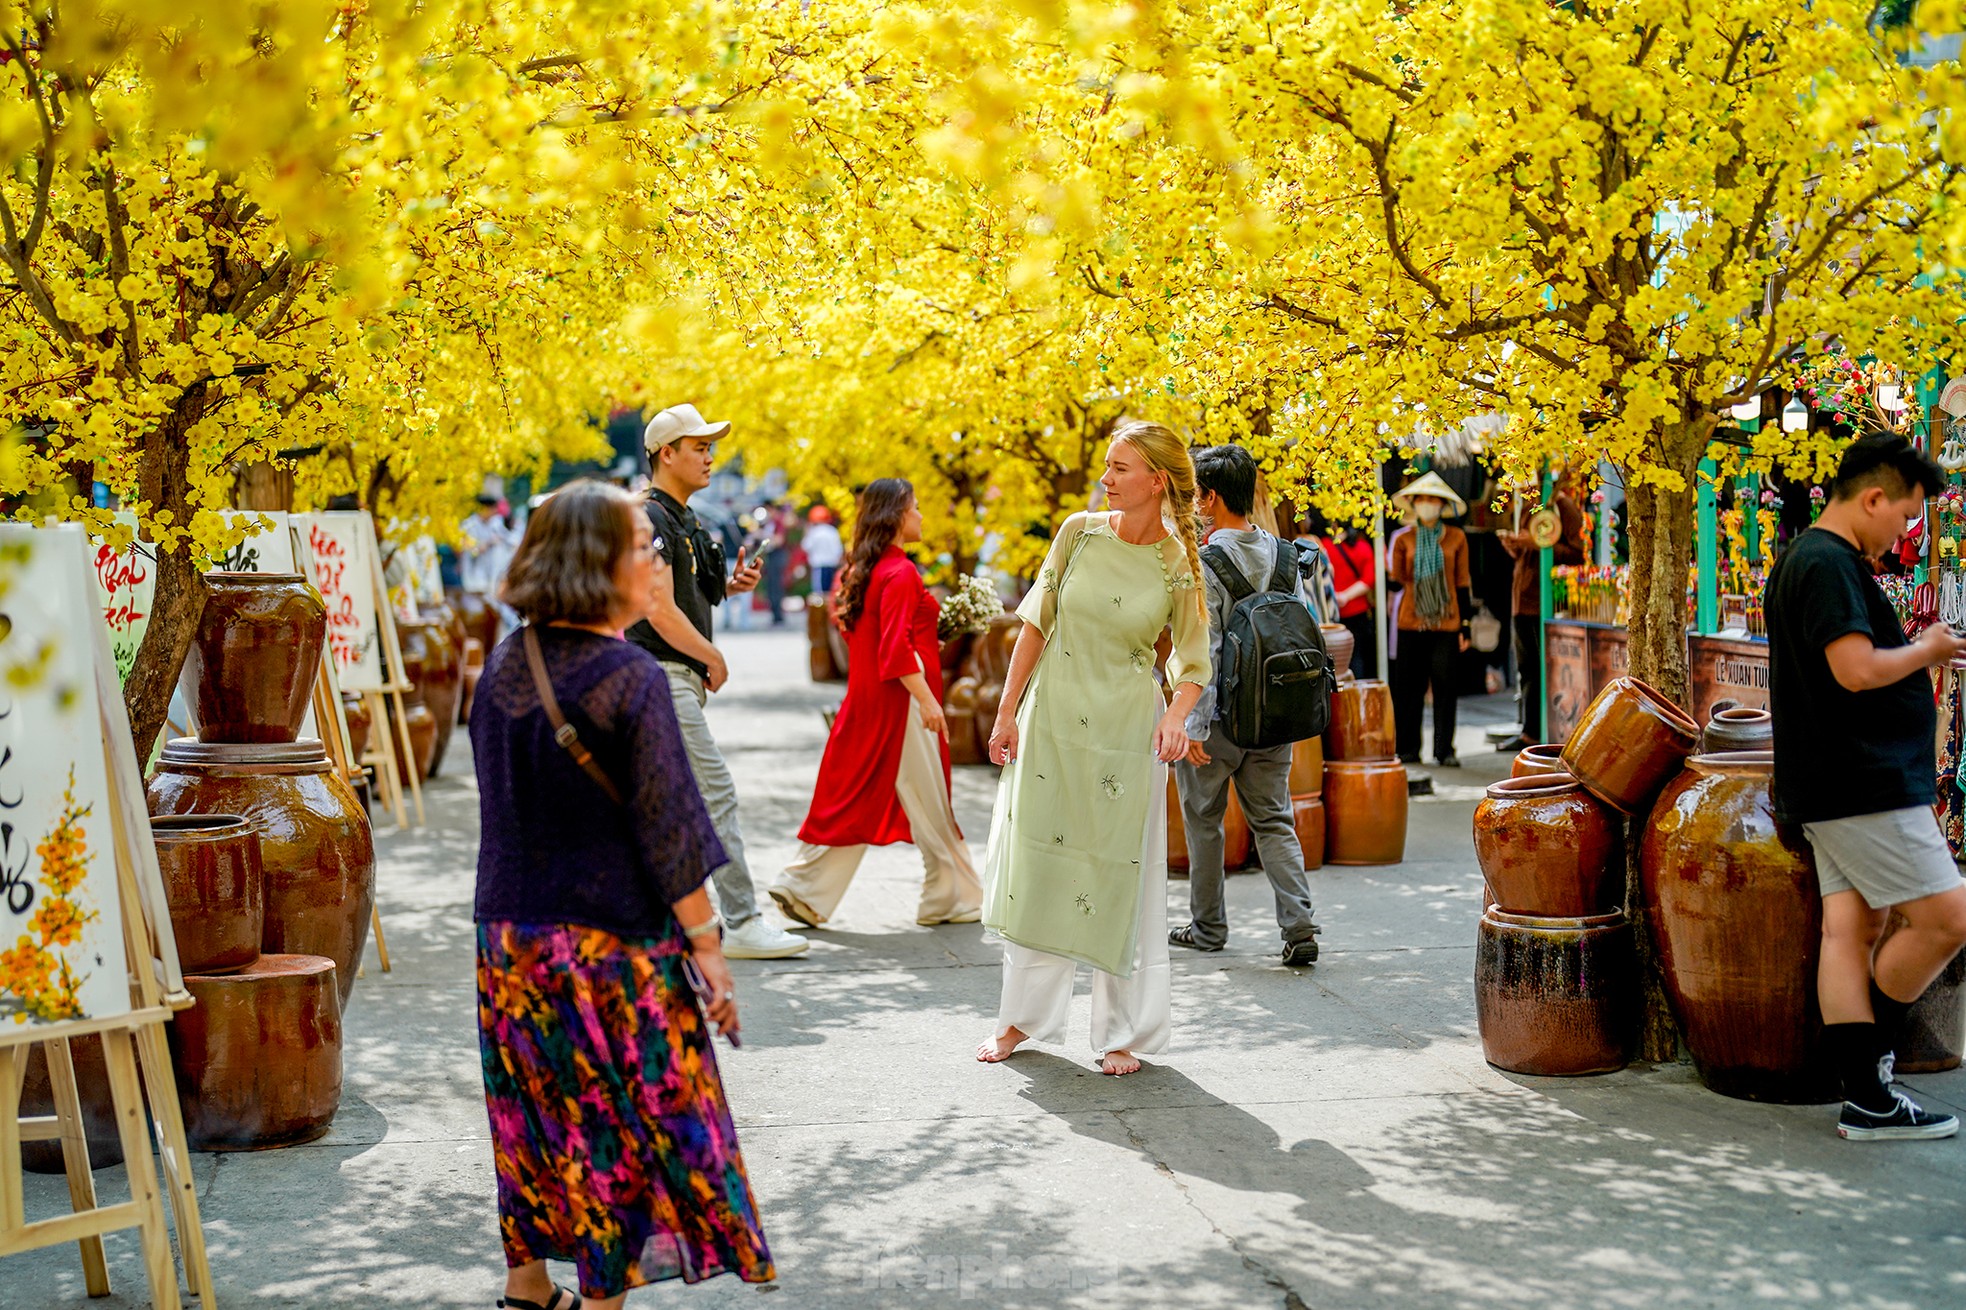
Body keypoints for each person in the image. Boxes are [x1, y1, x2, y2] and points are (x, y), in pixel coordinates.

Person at [472, 481, 775, 1310]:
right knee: (614, 1127)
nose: (657, 561)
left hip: (507, 937)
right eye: (644, 546)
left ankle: (528, 1283)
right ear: (600, 563)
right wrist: (710, 950)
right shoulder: (629, 676)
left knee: (530, 1108)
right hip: (608, 948)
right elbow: (671, 831)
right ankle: (603, 1300)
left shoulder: (504, 662)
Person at [977, 418, 1211, 1077]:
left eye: (1120, 469)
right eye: (1107, 467)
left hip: (1126, 733)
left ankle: (1122, 1032)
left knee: (1119, 874)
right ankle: (1021, 1019)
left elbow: (1194, 664)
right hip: (1051, 720)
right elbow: (1034, 626)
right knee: (1042, 866)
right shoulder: (1077, 533)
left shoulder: (1178, 563)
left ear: (1157, 481)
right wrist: (1006, 712)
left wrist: (1178, 718)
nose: (1106, 479)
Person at [1766, 432, 1966, 1141]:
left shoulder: (1810, 558)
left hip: (1834, 782)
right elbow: (1853, 669)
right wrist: (1930, 650)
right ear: (1874, 498)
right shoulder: (1825, 563)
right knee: (1950, 916)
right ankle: (1871, 1066)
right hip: (1862, 784)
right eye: (1905, 516)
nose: (1904, 532)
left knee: (1852, 930)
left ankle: (1865, 1099)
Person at [627, 403, 810, 960]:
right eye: (698, 447)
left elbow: (691, 595)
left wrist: (733, 585)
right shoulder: (648, 518)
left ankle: (656, 923)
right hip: (661, 674)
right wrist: (712, 654)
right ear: (666, 453)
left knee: (664, 803)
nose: (709, 457)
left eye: (710, 447)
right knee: (715, 794)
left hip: (671, 677)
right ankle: (742, 919)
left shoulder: (686, 519)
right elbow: (657, 608)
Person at [771, 480, 984, 928]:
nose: (922, 517)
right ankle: (948, 896)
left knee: (855, 796)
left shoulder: (858, 571)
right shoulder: (901, 573)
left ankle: (805, 886)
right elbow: (896, 650)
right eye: (917, 508)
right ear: (896, 516)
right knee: (929, 803)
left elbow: (871, 641)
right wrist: (927, 700)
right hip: (902, 702)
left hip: (868, 699)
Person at [1171, 445, 1323, 966]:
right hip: (1275, 714)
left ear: (1210, 499)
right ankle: (1299, 923)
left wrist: (1192, 724)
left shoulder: (1206, 562)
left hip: (1217, 724)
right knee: (1275, 820)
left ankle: (1208, 928)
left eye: (1196, 496)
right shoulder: (1285, 554)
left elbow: (1206, 649)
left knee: (1204, 821)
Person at [1387, 471, 1473, 768]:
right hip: (1411, 620)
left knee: (1445, 687)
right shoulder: (1403, 539)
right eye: (1422, 499)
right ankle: (1408, 747)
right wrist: (1385, 578)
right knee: (1408, 688)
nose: (1427, 504)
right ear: (1413, 503)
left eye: (1433, 499)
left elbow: (1462, 582)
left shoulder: (1457, 537)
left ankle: (1444, 749)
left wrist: (1466, 625)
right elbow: (1397, 581)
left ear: (1442, 504)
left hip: (1447, 621)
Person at [1497, 478, 1587, 750]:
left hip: (1546, 601)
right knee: (1527, 670)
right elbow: (1527, 555)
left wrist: (1540, 545)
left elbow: (1578, 553)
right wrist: (1516, 547)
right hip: (1520, 599)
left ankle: (1541, 733)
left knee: (1543, 670)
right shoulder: (1526, 506)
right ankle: (1530, 732)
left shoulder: (1561, 505)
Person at [1321, 521, 1378, 680]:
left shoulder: (1323, 545)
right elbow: (1369, 579)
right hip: (1357, 611)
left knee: (1332, 659)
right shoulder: (1363, 546)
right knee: (1356, 657)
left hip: (1331, 612)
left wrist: (1341, 597)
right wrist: (1346, 596)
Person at [462, 495, 521, 637]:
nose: (494, 513)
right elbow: (470, 551)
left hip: (493, 579)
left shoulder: (496, 524)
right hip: (475, 580)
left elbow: (512, 541)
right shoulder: (469, 526)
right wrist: (488, 543)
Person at [803, 506, 844, 596]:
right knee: (831, 592)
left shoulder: (814, 532)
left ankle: (823, 610)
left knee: (820, 594)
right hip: (832, 566)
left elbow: (806, 546)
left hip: (819, 566)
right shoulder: (833, 531)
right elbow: (838, 549)